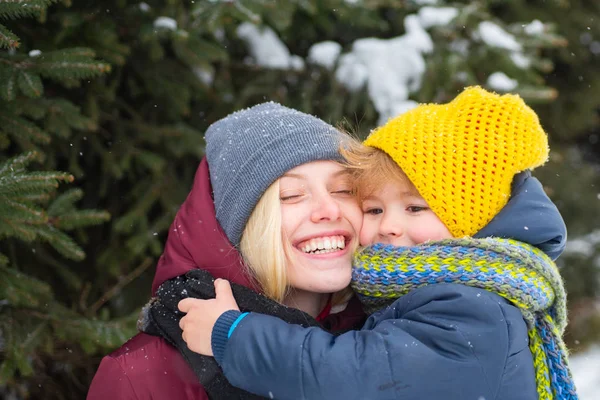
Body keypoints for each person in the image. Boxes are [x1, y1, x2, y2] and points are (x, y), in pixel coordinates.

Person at [177, 87, 578, 400]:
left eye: (416, 208)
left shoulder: (471, 309)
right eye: (372, 209)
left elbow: (350, 377)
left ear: (470, 223)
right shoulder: (441, 295)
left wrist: (233, 335)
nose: (389, 227)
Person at [86, 102, 367, 400]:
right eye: (291, 195)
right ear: (240, 228)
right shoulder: (141, 380)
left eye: (344, 190)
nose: (329, 209)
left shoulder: (385, 341)